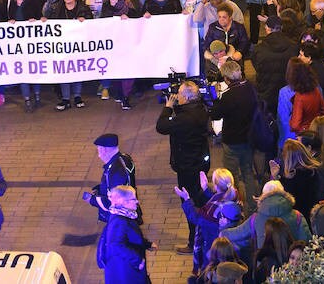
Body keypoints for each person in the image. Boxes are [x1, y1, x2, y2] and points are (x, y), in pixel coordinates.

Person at [156, 79, 211, 254]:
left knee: (190, 202)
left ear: (186, 97)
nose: (176, 96)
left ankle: (194, 241)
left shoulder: (185, 118)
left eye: (179, 93)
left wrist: (167, 107)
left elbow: (162, 127)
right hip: (199, 162)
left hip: (188, 166)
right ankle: (205, 233)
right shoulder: (200, 109)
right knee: (201, 199)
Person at [208, 60, 257, 212]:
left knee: (232, 175)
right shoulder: (249, 87)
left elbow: (215, 115)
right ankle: (253, 204)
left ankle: (236, 205)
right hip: (248, 139)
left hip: (232, 141)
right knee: (248, 171)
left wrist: (215, 98)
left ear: (227, 79)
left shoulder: (228, 96)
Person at [96, 185, 155, 283]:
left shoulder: (124, 215)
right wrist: (137, 260)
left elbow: (130, 236)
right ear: (123, 202)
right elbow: (115, 245)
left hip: (127, 268)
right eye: (133, 199)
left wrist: (147, 244)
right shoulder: (119, 221)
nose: (137, 201)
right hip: (125, 271)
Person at [83, 133, 138, 223]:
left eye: (99, 149)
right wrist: (100, 189)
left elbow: (113, 202)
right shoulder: (124, 158)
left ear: (103, 150)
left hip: (119, 218)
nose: (98, 153)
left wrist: (91, 199)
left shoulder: (115, 171)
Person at [252, 15, 297, 114]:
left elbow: (256, 65)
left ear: (267, 28)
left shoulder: (259, 49)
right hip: (289, 92)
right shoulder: (293, 47)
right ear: (281, 28)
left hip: (266, 93)